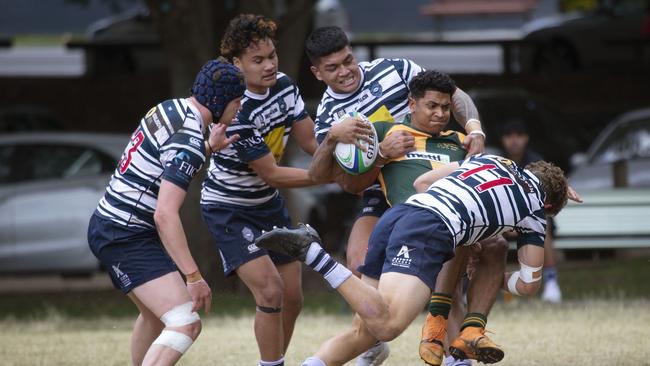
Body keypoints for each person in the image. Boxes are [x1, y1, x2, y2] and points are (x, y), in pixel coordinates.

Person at [257, 154, 576, 366]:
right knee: (390, 324)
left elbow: (422, 183)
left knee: (365, 333)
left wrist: (471, 231)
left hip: (400, 214)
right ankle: (314, 253)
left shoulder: (491, 159)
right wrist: (495, 279)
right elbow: (530, 284)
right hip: (429, 230)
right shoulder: (535, 211)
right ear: (548, 205)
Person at [305, 25, 485, 365]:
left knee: (445, 274)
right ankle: (370, 341)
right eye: (332, 67)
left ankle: (455, 355)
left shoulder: (396, 69)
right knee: (359, 260)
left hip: (434, 185)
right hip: (381, 189)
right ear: (317, 72)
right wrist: (362, 148)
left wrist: (474, 127)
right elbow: (338, 180)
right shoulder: (331, 115)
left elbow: (454, 95)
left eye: (347, 60)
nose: (345, 71)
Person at [87, 58, 245, 366]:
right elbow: (165, 215)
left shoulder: (169, 109)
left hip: (112, 224)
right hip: (124, 234)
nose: (238, 109)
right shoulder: (189, 141)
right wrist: (194, 275)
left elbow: (167, 162)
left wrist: (208, 148)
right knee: (186, 322)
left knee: (155, 317)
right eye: (237, 102)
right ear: (221, 101)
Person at [200, 14, 318, 366]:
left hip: (267, 204)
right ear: (237, 64)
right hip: (229, 208)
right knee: (270, 291)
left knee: (293, 297)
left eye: (272, 56)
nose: (269, 66)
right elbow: (272, 174)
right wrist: (331, 178)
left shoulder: (284, 86)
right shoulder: (237, 109)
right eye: (258, 60)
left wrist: (349, 154)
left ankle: (273, 360)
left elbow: (311, 141)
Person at [500, 119, 563, 303]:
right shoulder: (499, 162)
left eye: (519, 135)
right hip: (504, 218)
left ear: (526, 138)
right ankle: (479, 285)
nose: (514, 140)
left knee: (545, 230)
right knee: (485, 236)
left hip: (534, 217)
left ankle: (552, 283)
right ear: (502, 139)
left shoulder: (538, 163)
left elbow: (545, 200)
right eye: (509, 136)